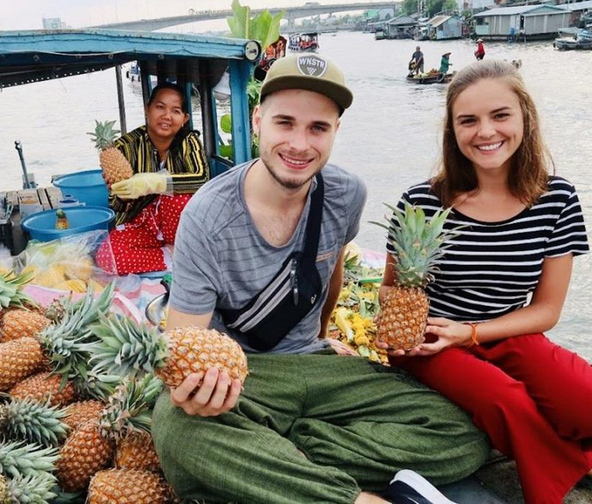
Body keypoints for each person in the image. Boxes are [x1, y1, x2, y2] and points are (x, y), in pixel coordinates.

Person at [151, 53, 489, 504]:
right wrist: (195, 394)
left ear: (335, 132)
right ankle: (353, 498)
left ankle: (277, 458)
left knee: (461, 437)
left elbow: (330, 273)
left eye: (318, 128)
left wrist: (325, 336)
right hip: (248, 376)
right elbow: (181, 347)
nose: (299, 144)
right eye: (285, 123)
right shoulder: (206, 217)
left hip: (320, 365)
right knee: (175, 426)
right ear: (258, 121)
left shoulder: (347, 193)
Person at [378, 60, 592, 504]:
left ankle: (570, 460)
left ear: (524, 118)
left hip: (511, 333)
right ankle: (557, 485)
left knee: (584, 399)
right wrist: (424, 326)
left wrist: (473, 333)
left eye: (500, 115)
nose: (485, 131)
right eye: (468, 120)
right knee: (506, 402)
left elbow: (547, 311)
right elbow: (389, 289)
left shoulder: (558, 199)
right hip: (432, 340)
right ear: (452, 131)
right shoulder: (421, 201)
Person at [95, 82, 208, 275]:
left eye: (176, 111)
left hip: (181, 227)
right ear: (147, 110)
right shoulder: (123, 147)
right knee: (107, 257)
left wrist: (154, 182)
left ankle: (178, 249)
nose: (166, 116)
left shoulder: (188, 142)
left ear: (184, 118)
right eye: (160, 107)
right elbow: (116, 205)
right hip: (143, 223)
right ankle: (173, 256)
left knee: (178, 195)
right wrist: (124, 194)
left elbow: (202, 178)